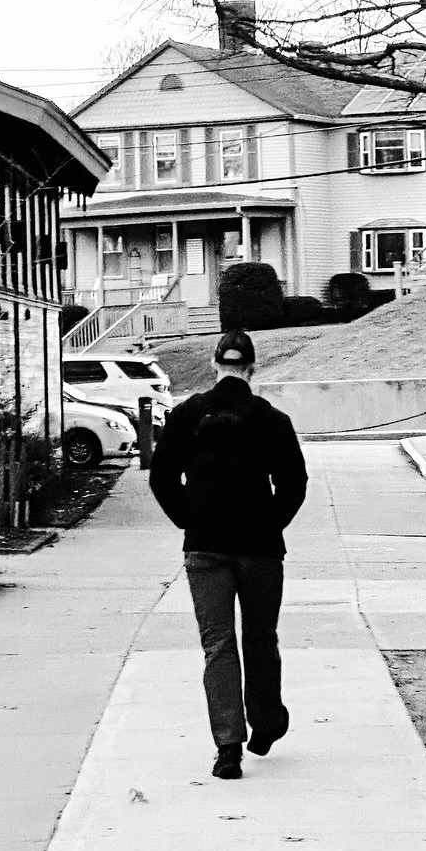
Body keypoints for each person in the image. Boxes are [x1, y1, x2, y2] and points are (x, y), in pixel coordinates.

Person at [149, 328, 308, 779]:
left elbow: (162, 479)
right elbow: (294, 484)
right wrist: (271, 522)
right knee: (261, 638)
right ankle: (267, 721)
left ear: (215, 365)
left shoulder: (186, 416)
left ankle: (228, 748)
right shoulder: (271, 419)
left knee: (218, 645)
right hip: (259, 548)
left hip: (205, 548)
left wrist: (189, 519)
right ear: (252, 369)